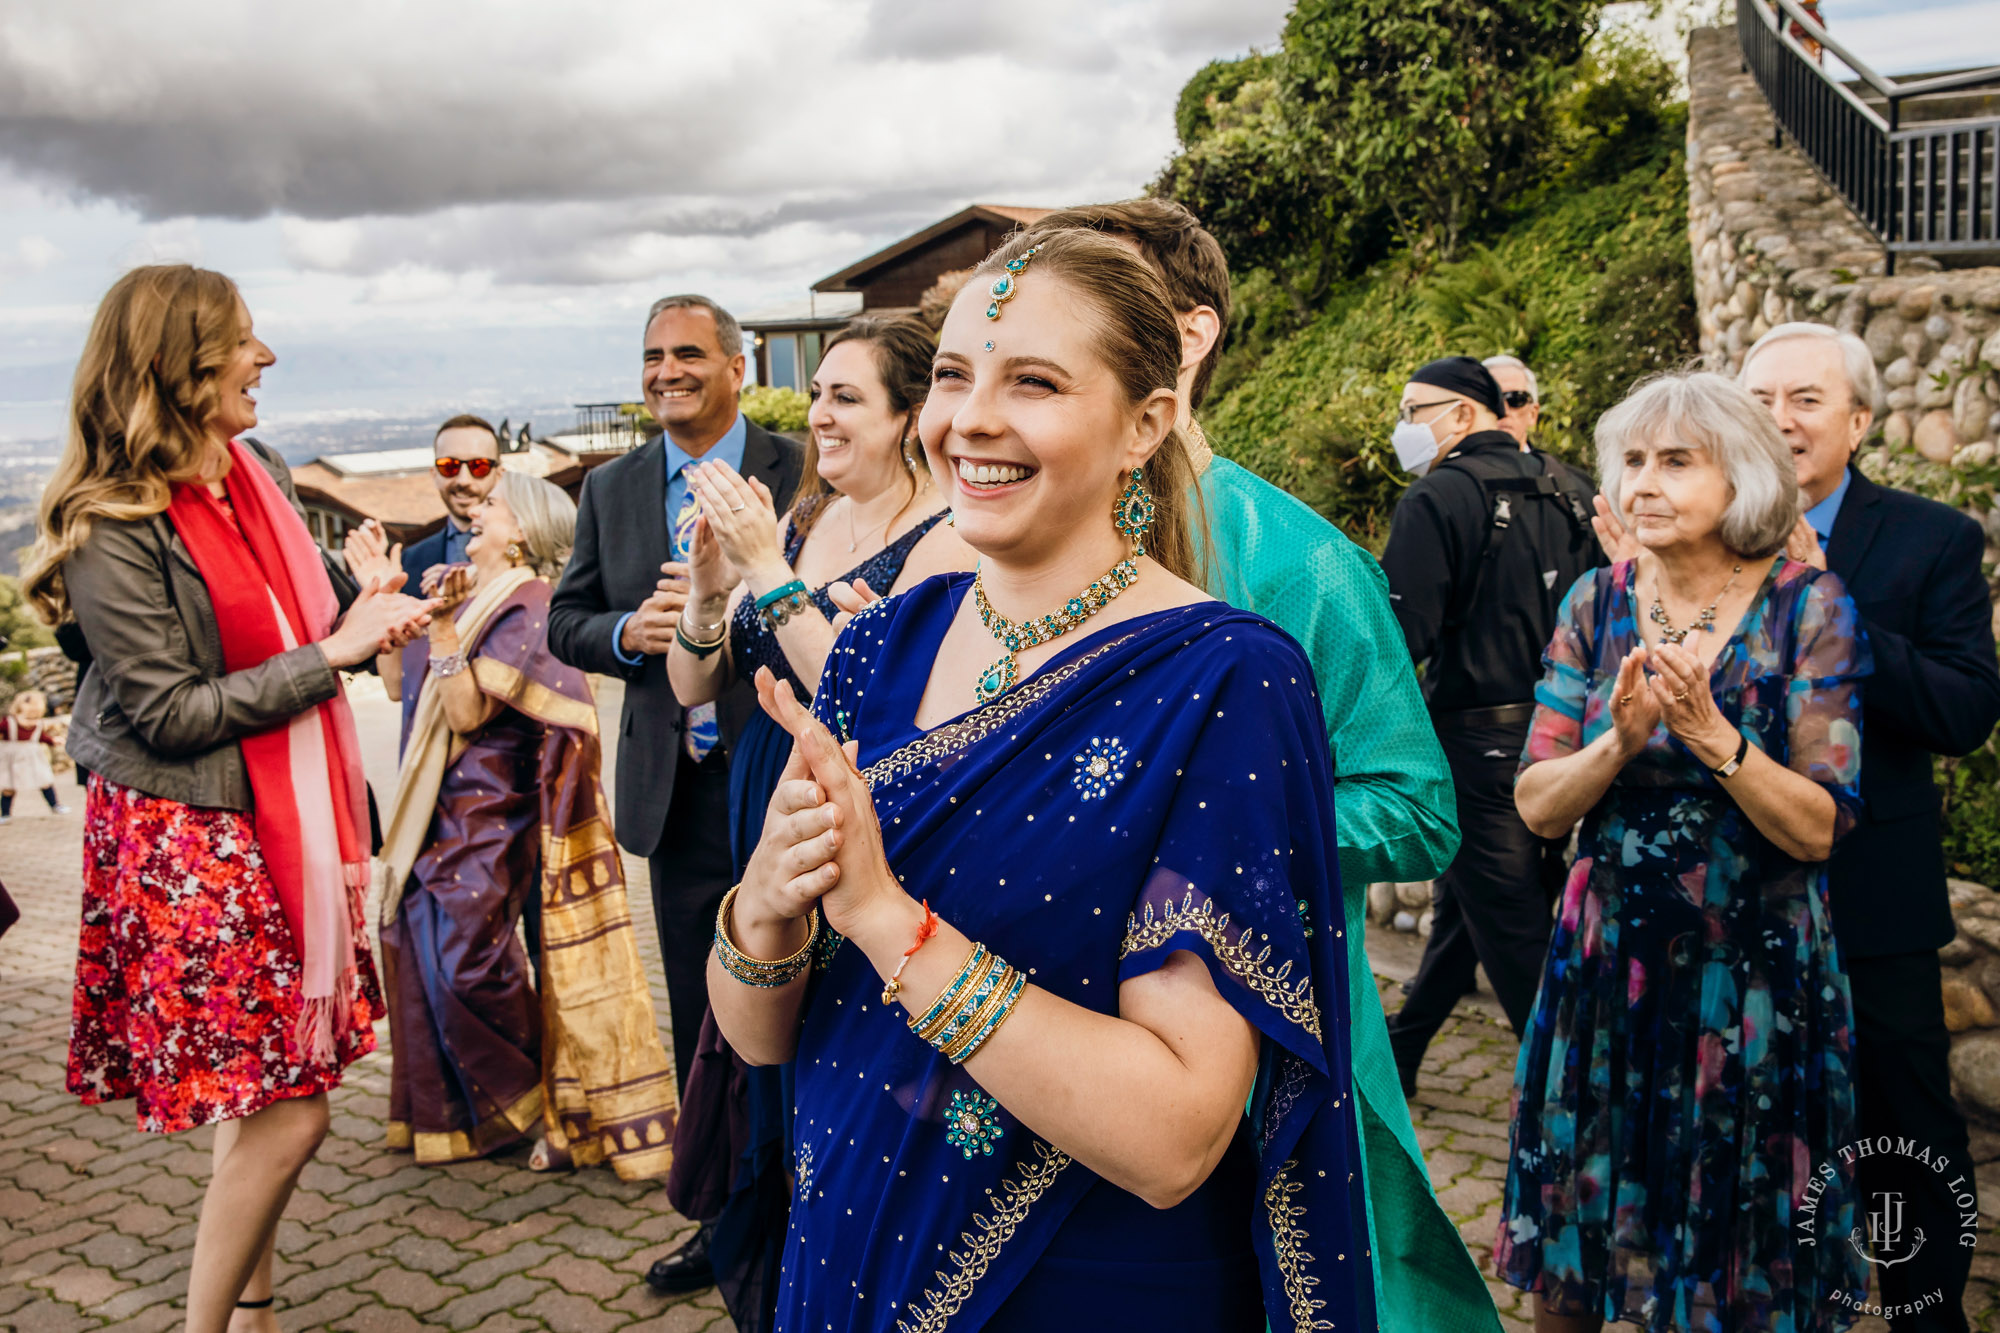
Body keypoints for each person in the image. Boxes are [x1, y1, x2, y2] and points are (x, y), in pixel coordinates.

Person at [710, 226, 1380, 1332]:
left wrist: (884, 920)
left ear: (1144, 423)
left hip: (1072, 1282)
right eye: (952, 376)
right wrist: (768, 911)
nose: (970, 419)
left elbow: (1174, 1138)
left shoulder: (1223, 681)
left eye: (1033, 382)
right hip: (842, 1249)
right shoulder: (878, 651)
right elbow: (759, 1035)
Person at [1022, 197, 1492, 1329]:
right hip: (1022, 1048)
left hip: (1240, 1059)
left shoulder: (1301, 562)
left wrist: (1208, 831)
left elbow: (1417, 811)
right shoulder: (993, 543)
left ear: (1184, 338)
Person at [28, 264, 433, 1333]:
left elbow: (293, 621)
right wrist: (336, 653)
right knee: (292, 1110)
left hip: (279, 813)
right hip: (189, 827)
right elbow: (168, 711)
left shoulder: (254, 469)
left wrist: (368, 606)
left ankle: (253, 1310)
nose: (266, 357)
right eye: (244, 340)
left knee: (268, 1095)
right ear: (180, 362)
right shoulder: (111, 520)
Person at [1498, 371, 1870, 1332]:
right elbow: (1538, 804)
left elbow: (1821, 826)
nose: (1643, 483)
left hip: (1750, 973)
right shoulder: (1594, 598)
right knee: (1576, 1245)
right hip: (1606, 962)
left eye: (1675, 461)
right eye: (1631, 462)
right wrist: (1617, 744)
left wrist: (1717, 739)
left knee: (1738, 1252)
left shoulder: (1809, 607)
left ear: (1740, 476)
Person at [655, 315, 971, 1316]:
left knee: (838, 1050)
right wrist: (711, 593)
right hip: (762, 798)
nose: (817, 414)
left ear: (908, 416)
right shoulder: (794, 519)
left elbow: (872, 700)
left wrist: (764, 567)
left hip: (866, 813)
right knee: (757, 1038)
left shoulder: (945, 540)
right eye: (817, 392)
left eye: (844, 396)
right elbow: (691, 682)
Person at [547, 294, 804, 1293]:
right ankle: (730, 1218)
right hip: (676, 795)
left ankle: (809, 1206)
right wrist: (627, 636)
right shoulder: (608, 488)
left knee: (805, 1000)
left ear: (737, 368)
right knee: (710, 1016)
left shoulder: (799, 464)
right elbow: (567, 620)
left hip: (781, 784)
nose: (665, 372)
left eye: (687, 354)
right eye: (651, 356)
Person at [350, 470, 679, 1179]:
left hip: (488, 807)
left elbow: (468, 713)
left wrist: (439, 623)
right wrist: (381, 598)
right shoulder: (461, 589)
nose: (478, 510)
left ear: (522, 528)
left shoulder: (529, 603)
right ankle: (457, 1115)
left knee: (469, 963)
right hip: (432, 800)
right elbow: (398, 685)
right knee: (422, 948)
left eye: (493, 503)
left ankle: (527, 1100)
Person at [1379, 356, 1602, 1094]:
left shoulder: (1437, 496)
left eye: (1417, 410)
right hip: (1569, 736)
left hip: (1478, 745)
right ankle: (1400, 1053)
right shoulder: (1575, 490)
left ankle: (1578, 1093)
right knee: (1469, 910)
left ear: (1465, 414)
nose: (1405, 425)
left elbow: (1398, 639)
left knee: (1513, 929)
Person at [397, 414, 503, 591]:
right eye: (449, 466)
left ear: (499, 475)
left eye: (478, 466)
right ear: (434, 475)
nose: (463, 480)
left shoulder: (528, 553)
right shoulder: (409, 563)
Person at [1, 690, 70, 821]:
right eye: (28, 717)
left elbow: (41, 737)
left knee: (44, 780)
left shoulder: (38, 724)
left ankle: (55, 805)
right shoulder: (8, 723)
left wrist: (53, 740)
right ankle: (5, 813)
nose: (31, 721)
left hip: (33, 757)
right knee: (9, 786)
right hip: (12, 759)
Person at [1484, 354, 1542, 446]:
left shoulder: (1548, 461)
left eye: (1516, 399)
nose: (1504, 411)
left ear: (1533, 414)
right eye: (1492, 399)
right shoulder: (1457, 460)